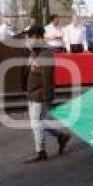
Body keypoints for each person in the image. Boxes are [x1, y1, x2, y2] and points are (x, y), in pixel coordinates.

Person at [24, 25, 71, 162]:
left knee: (35, 123)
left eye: (30, 37)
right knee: (40, 121)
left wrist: (47, 98)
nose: (28, 40)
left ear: (38, 37)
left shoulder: (46, 54)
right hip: (32, 93)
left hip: (39, 94)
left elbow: (47, 79)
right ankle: (61, 136)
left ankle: (41, 151)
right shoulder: (35, 52)